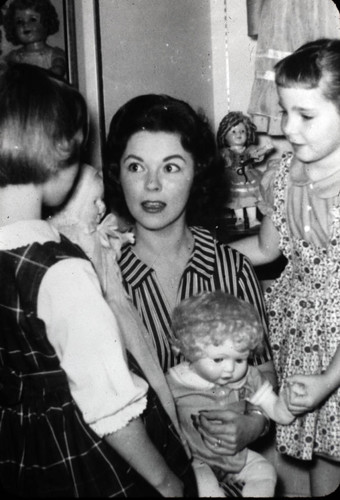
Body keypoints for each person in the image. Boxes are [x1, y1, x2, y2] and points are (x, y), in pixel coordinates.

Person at [0, 63, 197, 497]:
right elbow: (111, 405)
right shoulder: (62, 271)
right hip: (85, 456)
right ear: (55, 156)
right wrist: (165, 480)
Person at [103, 93, 277, 495]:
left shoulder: (231, 269)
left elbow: (264, 373)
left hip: (230, 475)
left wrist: (253, 423)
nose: (151, 184)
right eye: (135, 167)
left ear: (197, 172)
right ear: (118, 174)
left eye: (170, 167)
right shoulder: (102, 277)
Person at [229, 38, 340, 497]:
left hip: (336, 349)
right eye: (285, 111)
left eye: (306, 115)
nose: (289, 129)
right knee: (305, 454)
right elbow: (265, 247)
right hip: (296, 332)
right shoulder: (286, 175)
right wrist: (205, 248)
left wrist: (325, 383)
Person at [167, 291, 295, 497]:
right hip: (195, 461)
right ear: (190, 350)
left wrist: (289, 402)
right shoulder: (173, 382)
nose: (229, 369)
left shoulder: (250, 377)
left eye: (239, 360)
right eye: (218, 360)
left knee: (265, 472)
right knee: (207, 489)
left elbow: (279, 413)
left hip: (236, 457)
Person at [217, 111, 273, 228]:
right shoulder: (226, 152)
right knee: (237, 200)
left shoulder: (249, 149)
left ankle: (253, 219)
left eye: (242, 131)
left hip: (249, 176)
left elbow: (256, 154)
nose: (238, 134)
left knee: (251, 199)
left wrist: (265, 149)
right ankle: (240, 218)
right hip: (233, 177)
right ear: (224, 135)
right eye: (233, 131)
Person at [2, 0, 66, 77]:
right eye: (19, 21)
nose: (25, 24)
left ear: (46, 22)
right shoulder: (15, 56)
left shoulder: (54, 54)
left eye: (32, 20)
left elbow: (58, 71)